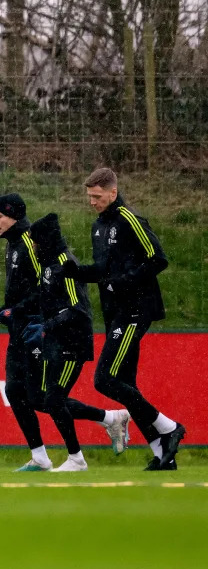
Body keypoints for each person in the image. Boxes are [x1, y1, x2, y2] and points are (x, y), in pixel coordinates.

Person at [0, 194, 129, 471]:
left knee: (44, 398)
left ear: (13, 215)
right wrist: (5, 312)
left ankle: (105, 424)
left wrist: (36, 320)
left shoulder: (34, 245)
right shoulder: (15, 245)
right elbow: (30, 289)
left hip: (43, 330)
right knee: (16, 391)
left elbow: (51, 295)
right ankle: (41, 456)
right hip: (24, 328)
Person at [63, 168, 183, 470]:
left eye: (97, 196)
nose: (92, 202)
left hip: (135, 310)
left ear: (112, 193)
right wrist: (77, 271)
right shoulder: (98, 227)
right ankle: (161, 453)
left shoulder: (129, 219)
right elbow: (104, 272)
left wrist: (125, 282)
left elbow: (158, 258)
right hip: (115, 312)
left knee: (105, 379)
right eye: (89, 197)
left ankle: (169, 428)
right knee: (126, 383)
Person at [21, 214, 102, 471]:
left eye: (35, 241)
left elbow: (78, 309)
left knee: (54, 400)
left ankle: (77, 458)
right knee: (44, 399)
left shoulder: (65, 265)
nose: (32, 246)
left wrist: (46, 326)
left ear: (45, 240)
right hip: (56, 340)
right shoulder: (47, 264)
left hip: (72, 342)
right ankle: (109, 419)